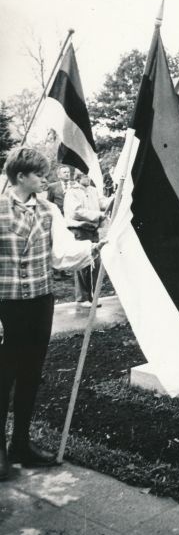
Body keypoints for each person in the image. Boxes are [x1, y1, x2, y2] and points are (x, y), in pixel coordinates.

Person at [0, 147, 101, 481]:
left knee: (31, 373)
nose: (47, 179)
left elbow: (62, 254)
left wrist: (93, 249)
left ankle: (21, 444)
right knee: (3, 377)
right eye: (40, 175)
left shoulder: (49, 211)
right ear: (20, 176)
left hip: (39, 303)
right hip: (6, 305)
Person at [64, 172, 109, 307]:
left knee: (95, 263)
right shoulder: (72, 192)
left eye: (89, 176)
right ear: (78, 179)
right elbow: (76, 212)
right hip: (80, 229)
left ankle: (93, 296)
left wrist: (114, 199)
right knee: (82, 262)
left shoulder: (93, 190)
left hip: (92, 229)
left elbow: (102, 202)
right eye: (85, 176)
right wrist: (98, 215)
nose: (88, 178)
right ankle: (82, 298)